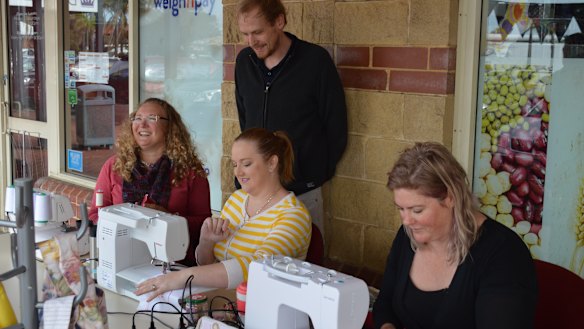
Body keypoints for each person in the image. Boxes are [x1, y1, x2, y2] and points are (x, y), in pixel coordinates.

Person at [373, 142, 537, 329]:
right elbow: (385, 303)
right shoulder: (407, 236)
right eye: (400, 209)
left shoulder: (504, 254)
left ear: (450, 197)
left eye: (417, 210)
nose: (406, 221)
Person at [135, 128, 311, 298]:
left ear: (272, 163)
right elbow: (206, 265)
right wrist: (206, 242)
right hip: (220, 299)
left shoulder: (294, 216)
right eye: (235, 164)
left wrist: (181, 277)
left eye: (246, 163)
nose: (238, 172)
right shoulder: (237, 200)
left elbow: (257, 268)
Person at [234, 0, 348, 235]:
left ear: (279, 21)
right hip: (252, 194)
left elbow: (336, 125)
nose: (251, 41)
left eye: (257, 32)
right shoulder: (244, 62)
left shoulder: (315, 61)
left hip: (302, 191)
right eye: (245, 34)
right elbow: (245, 120)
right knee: (248, 264)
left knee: (305, 267)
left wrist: (312, 173)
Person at [88, 98, 211, 266]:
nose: (142, 125)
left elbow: (204, 224)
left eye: (152, 118)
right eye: (137, 118)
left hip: (173, 265)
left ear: (170, 127)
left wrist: (167, 218)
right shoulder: (114, 166)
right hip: (121, 260)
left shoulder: (190, 171)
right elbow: (95, 214)